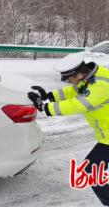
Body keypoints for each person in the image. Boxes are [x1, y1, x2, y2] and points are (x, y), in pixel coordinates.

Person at [28, 52, 109, 206]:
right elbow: (75, 91)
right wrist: (49, 96)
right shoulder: (90, 78)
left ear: (79, 75)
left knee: (92, 170)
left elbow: (77, 103)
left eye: (69, 79)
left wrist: (45, 107)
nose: (69, 83)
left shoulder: (101, 85)